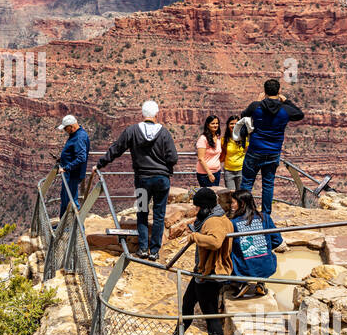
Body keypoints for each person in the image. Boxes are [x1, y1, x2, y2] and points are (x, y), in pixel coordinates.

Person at [153, 187, 233, 335]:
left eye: (197, 207)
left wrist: (195, 237)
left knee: (210, 315)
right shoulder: (216, 215)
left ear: (204, 207)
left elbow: (215, 242)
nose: (196, 210)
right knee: (188, 303)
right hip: (202, 273)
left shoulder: (214, 222)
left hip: (210, 274)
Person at [96, 99, 178, 260]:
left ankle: (142, 248)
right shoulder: (164, 133)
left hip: (142, 180)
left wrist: (100, 164)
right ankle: (154, 251)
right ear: (156, 114)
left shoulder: (132, 131)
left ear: (142, 114)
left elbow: (116, 149)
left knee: (142, 212)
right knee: (159, 215)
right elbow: (173, 157)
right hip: (162, 180)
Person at [239, 78, 304, 214]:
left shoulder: (256, 106)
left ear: (265, 91)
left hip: (255, 150)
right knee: (268, 184)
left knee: (247, 183)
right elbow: (299, 114)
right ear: (279, 90)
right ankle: (266, 215)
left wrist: (258, 101)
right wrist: (286, 101)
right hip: (273, 152)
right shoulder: (285, 109)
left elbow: (243, 115)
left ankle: (244, 213)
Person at [229, 190, 282, 299]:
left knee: (232, 252)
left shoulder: (233, 223)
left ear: (241, 203)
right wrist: (265, 248)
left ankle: (242, 283)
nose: (231, 205)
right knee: (265, 255)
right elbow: (278, 240)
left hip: (243, 268)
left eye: (233, 202)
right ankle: (261, 283)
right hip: (266, 266)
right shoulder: (265, 217)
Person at [55, 114, 90, 217]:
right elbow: (73, 153)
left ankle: (77, 227)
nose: (65, 131)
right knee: (65, 198)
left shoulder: (79, 137)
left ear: (72, 126)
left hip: (72, 174)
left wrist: (66, 168)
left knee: (71, 200)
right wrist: (63, 159)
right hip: (69, 173)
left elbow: (81, 158)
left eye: (66, 128)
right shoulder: (76, 134)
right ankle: (63, 224)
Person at [195, 114, 223, 187]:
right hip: (205, 174)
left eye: (217, 123)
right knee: (208, 196)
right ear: (207, 125)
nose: (215, 125)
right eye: (212, 123)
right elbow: (201, 158)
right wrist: (209, 173)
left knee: (215, 195)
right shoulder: (203, 139)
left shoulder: (218, 137)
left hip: (217, 171)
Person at [221, 114, 247, 191]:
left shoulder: (244, 139)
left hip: (241, 170)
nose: (234, 125)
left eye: (236, 124)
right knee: (231, 195)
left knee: (240, 195)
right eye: (231, 123)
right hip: (229, 171)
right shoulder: (224, 140)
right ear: (228, 125)